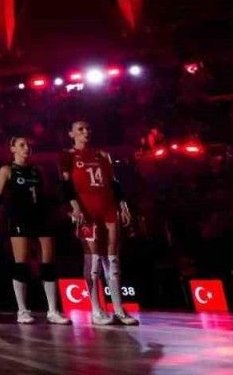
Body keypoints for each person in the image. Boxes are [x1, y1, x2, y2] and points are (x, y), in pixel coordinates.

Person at [59, 121, 139, 326]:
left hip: (108, 208)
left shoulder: (102, 155)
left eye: (87, 128)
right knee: (93, 258)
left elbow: (114, 182)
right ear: (71, 134)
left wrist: (123, 205)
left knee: (112, 259)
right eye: (80, 129)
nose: (85, 132)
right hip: (87, 210)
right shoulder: (67, 155)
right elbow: (66, 184)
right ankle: (96, 310)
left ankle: (119, 309)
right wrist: (75, 207)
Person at [0, 136, 71, 324]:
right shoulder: (7, 170)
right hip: (19, 219)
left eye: (28, 145)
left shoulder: (38, 170)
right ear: (12, 148)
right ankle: (22, 310)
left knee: (48, 264)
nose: (26, 148)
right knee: (22, 264)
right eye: (21, 145)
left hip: (41, 217)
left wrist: (64, 208)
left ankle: (52, 310)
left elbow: (47, 194)